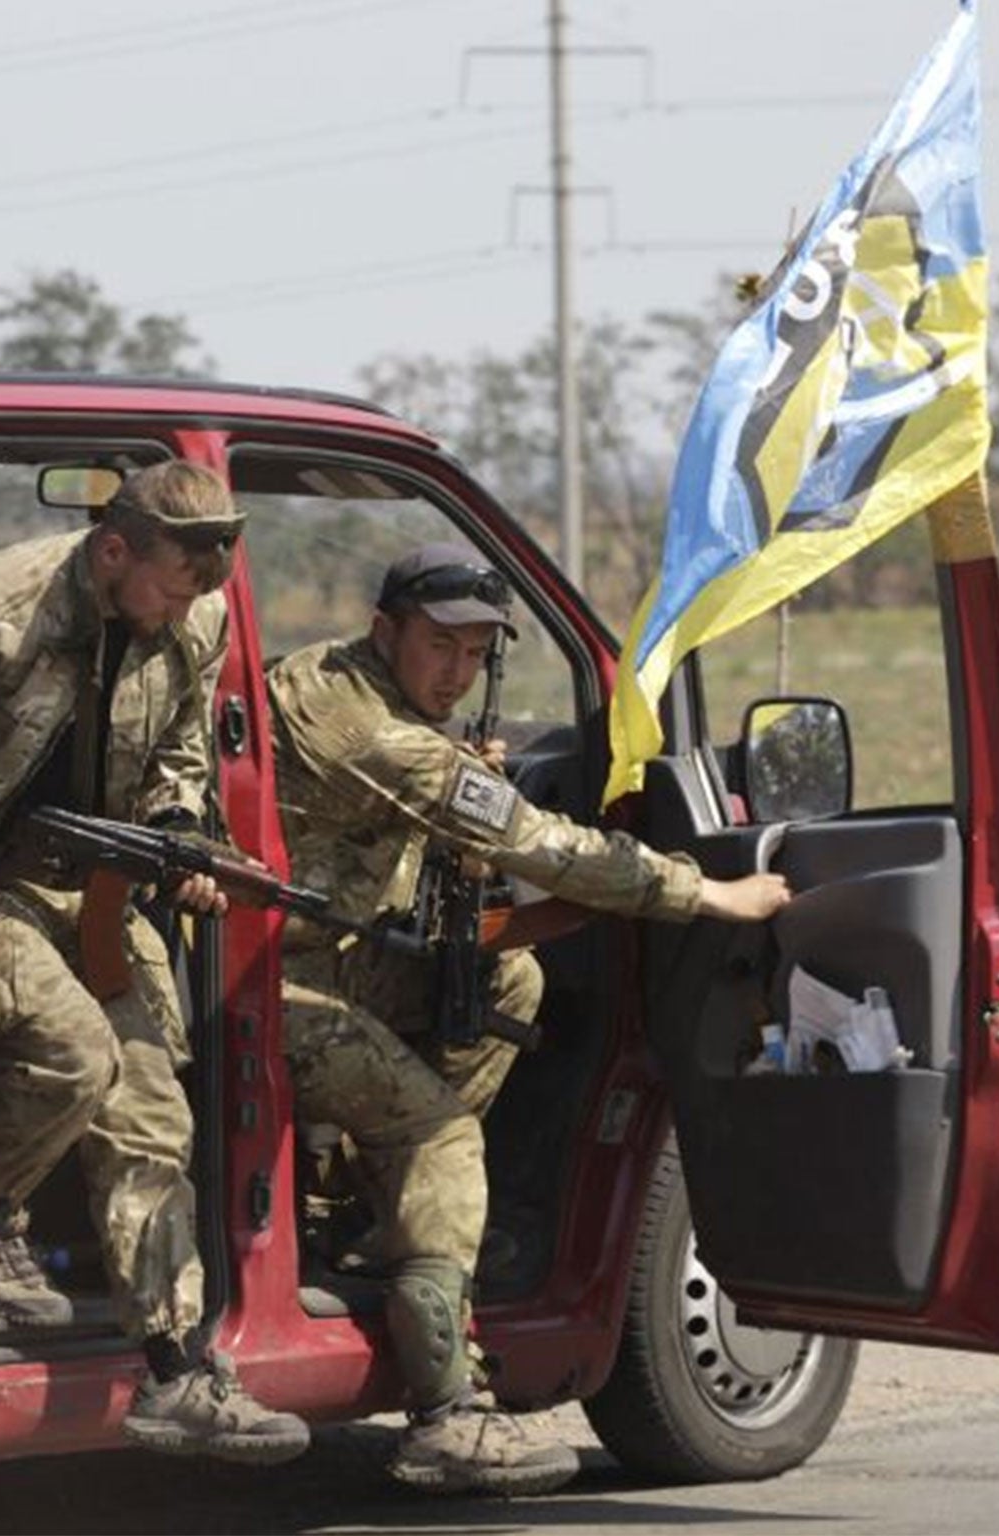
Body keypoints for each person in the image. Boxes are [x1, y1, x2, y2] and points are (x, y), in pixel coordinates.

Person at [266, 542, 792, 1493]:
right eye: (438, 646)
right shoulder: (375, 733)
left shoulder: (356, 686)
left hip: (326, 963)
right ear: (385, 630)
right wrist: (710, 897)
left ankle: (383, 1221)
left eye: (475, 653)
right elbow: (539, 844)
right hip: (271, 992)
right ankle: (446, 1412)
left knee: (509, 986)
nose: (458, 671)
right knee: (442, 1137)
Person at [0, 460, 310, 1465]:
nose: (185, 611)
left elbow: (178, 758)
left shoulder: (194, 619)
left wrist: (179, 845)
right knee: (74, 1052)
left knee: (150, 1111)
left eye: (201, 594)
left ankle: (177, 1369)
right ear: (114, 548)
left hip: (96, 889)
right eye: (172, 586)